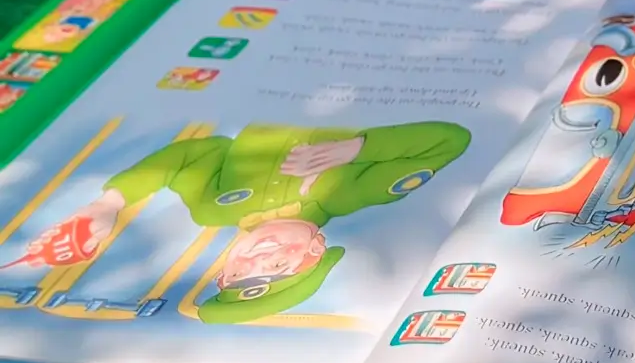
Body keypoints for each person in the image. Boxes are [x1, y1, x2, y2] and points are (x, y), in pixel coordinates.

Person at [9, 121, 471, 324]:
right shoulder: (355, 192)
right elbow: (449, 140)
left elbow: (190, 153)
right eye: (279, 268)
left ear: (225, 267)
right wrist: (360, 147)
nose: (263, 255)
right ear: (313, 251)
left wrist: (107, 204)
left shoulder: (211, 207)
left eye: (243, 272)